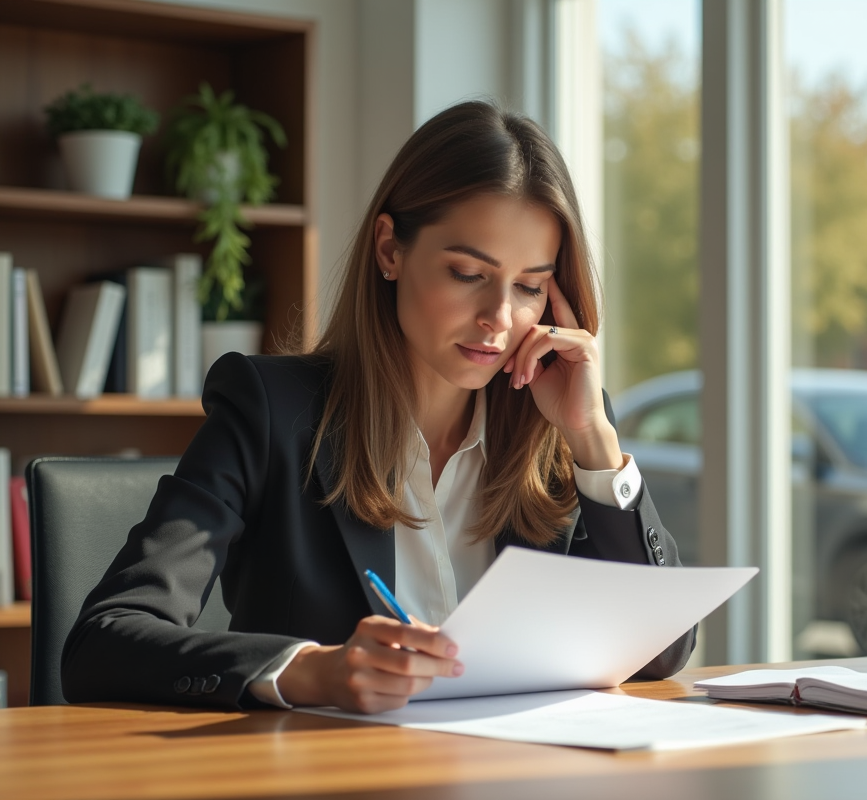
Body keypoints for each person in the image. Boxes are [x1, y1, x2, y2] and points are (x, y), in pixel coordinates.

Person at [62, 100, 693, 713]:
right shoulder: (270, 412)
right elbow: (103, 640)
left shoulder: (559, 428)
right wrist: (310, 670)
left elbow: (665, 652)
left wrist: (593, 442)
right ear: (390, 249)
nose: (499, 319)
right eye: (468, 274)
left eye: (529, 286)